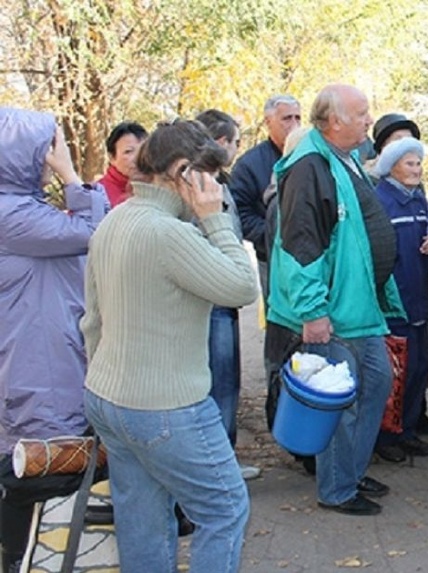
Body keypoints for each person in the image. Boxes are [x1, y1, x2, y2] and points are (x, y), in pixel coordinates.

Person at [81, 120, 259, 572]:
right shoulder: (170, 234)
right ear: (183, 172)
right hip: (165, 407)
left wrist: (106, 384)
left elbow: (93, 322)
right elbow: (241, 287)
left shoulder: (115, 219)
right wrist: (215, 218)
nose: (216, 187)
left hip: (108, 397)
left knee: (142, 518)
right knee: (224, 507)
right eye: (211, 176)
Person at [264, 83, 404, 516]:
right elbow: (301, 246)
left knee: (376, 383)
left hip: (358, 306)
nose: (369, 119)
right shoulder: (309, 166)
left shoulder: (344, 159)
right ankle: (337, 487)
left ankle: (350, 470)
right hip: (334, 311)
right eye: (361, 113)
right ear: (334, 121)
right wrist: (313, 311)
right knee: (344, 398)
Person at [0, 108, 109, 573]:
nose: (53, 156)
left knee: (32, 461)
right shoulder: (14, 214)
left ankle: (26, 555)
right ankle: (27, 558)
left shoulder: (20, 208)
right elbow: (96, 232)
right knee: (37, 465)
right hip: (37, 359)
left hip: (41, 349)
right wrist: (70, 174)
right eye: (49, 147)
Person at [195, 108, 261, 481]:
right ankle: (218, 467)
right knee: (220, 385)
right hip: (216, 298)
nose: (237, 150)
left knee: (225, 383)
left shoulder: (219, 182)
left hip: (222, 299)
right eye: (235, 142)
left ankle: (223, 460)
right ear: (221, 144)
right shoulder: (204, 189)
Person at [371, 138, 428, 462]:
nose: (417, 169)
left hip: (417, 299)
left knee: (418, 368)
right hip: (393, 302)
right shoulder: (381, 201)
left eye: (418, 163)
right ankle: (386, 437)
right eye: (410, 163)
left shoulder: (418, 201)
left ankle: (408, 431)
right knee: (395, 373)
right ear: (392, 166)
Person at [228, 94, 301, 296]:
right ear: (268, 122)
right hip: (272, 260)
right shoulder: (249, 165)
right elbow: (238, 211)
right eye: (287, 118)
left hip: (312, 258)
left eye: (298, 118)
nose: (294, 124)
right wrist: (272, 236)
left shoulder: (311, 157)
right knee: (281, 323)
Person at [97, 121, 147, 207]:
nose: (138, 158)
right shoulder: (96, 195)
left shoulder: (157, 188)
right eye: (128, 151)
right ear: (112, 158)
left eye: (143, 150)